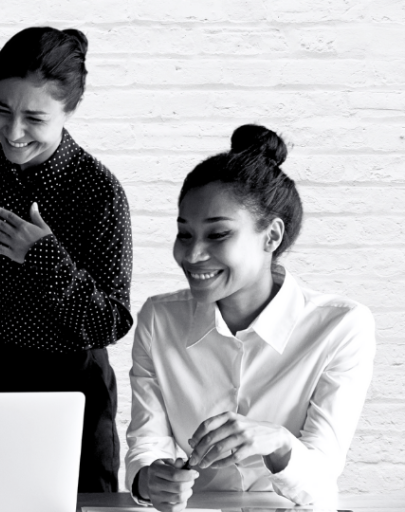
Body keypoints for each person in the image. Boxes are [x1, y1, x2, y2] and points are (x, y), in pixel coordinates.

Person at [125, 124, 376, 511]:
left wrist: (277, 442)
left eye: (218, 235)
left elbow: (321, 487)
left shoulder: (341, 327)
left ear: (271, 236)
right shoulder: (160, 318)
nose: (192, 256)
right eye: (185, 234)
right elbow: (146, 446)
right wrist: (150, 480)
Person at [0, 26, 133, 492]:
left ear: (69, 109)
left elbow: (110, 324)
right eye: (1, 110)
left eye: (34, 118)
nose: (13, 132)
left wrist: (42, 256)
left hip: (73, 393)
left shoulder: (99, 192)